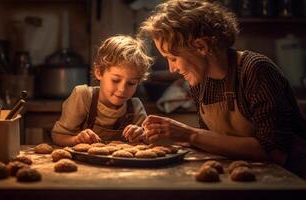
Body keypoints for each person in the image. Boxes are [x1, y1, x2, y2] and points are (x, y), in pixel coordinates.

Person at [128, 0, 306, 178]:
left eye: (173, 58)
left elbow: (274, 151)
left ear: (201, 47)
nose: (171, 69)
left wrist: (189, 134)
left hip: (290, 180)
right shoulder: (201, 82)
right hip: (245, 176)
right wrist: (164, 136)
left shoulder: (254, 70)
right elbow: (214, 142)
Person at [51, 35, 153, 146]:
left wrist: (142, 136)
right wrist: (76, 140)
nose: (122, 89)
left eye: (131, 83)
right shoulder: (83, 96)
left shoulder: (135, 108)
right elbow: (58, 136)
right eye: (115, 80)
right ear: (99, 72)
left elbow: (146, 142)